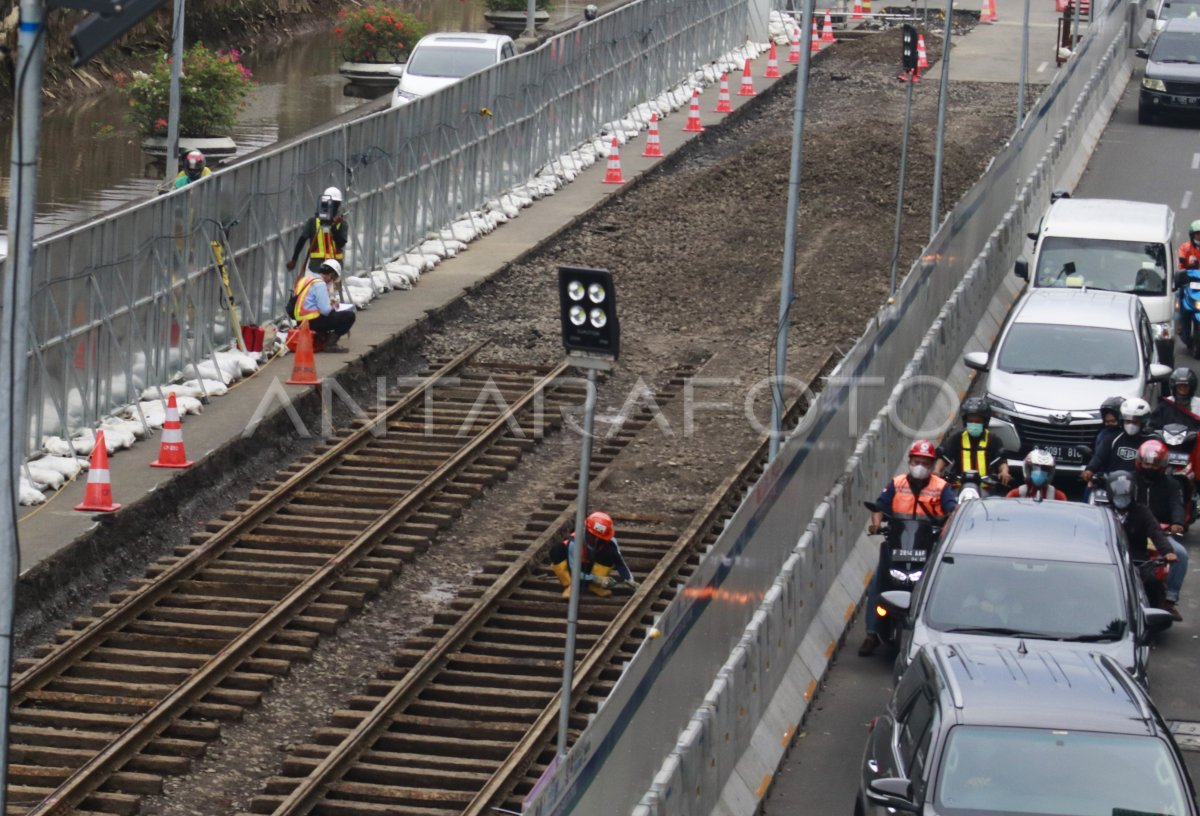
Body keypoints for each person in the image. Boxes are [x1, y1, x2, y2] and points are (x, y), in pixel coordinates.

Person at [860, 440, 958, 657]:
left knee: (942, 585)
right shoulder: (897, 484)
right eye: (916, 461)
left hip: (927, 547)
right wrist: (876, 523)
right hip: (897, 545)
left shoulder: (941, 488)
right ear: (910, 462)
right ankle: (871, 634)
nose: (920, 466)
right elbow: (879, 506)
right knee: (877, 584)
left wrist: (945, 525)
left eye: (925, 462)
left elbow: (953, 510)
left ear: (932, 466)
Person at [1108, 471, 1184, 620]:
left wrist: (1167, 551)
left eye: (1125, 495)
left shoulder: (1142, 511)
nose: (1122, 498)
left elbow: (1156, 532)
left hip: (1137, 559)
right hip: (1109, 557)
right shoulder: (1104, 510)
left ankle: (1154, 617)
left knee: (1152, 583)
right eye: (1118, 495)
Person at [548, 511, 634, 597]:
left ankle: (595, 587)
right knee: (557, 550)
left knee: (610, 552)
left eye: (600, 538)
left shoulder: (611, 542)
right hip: (576, 568)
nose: (596, 540)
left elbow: (620, 564)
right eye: (593, 536)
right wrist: (597, 579)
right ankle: (571, 585)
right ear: (587, 531)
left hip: (592, 567)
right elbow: (575, 573)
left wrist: (630, 580)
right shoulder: (574, 543)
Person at [934, 396, 1012, 488]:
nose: (974, 424)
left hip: (986, 489)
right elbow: (944, 457)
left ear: (985, 422)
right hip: (959, 487)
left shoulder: (993, 440)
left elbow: (1001, 461)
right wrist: (936, 471)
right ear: (965, 422)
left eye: (977, 422)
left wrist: (1004, 472)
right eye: (970, 421)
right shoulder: (957, 438)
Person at [1083, 397, 1156, 482]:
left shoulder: (1151, 442)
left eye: (1135, 422)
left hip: (1141, 486)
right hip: (1112, 485)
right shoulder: (1113, 438)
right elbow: (1099, 457)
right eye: (1127, 421)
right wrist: (1090, 469)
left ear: (1143, 422)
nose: (1130, 425)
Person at [291, 259, 355, 351]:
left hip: (300, 321)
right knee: (349, 316)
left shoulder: (305, 280)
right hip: (311, 321)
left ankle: (322, 337)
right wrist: (334, 306)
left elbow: (309, 301)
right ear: (331, 274)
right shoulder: (320, 284)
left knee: (332, 315)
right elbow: (325, 311)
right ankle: (330, 344)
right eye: (333, 278)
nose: (332, 281)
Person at [287, 187, 348, 274]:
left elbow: (341, 243)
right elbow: (302, 240)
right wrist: (294, 260)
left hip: (334, 269)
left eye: (336, 204)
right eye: (331, 204)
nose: (333, 207)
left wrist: (334, 227)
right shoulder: (313, 222)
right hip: (316, 268)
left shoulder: (341, 223)